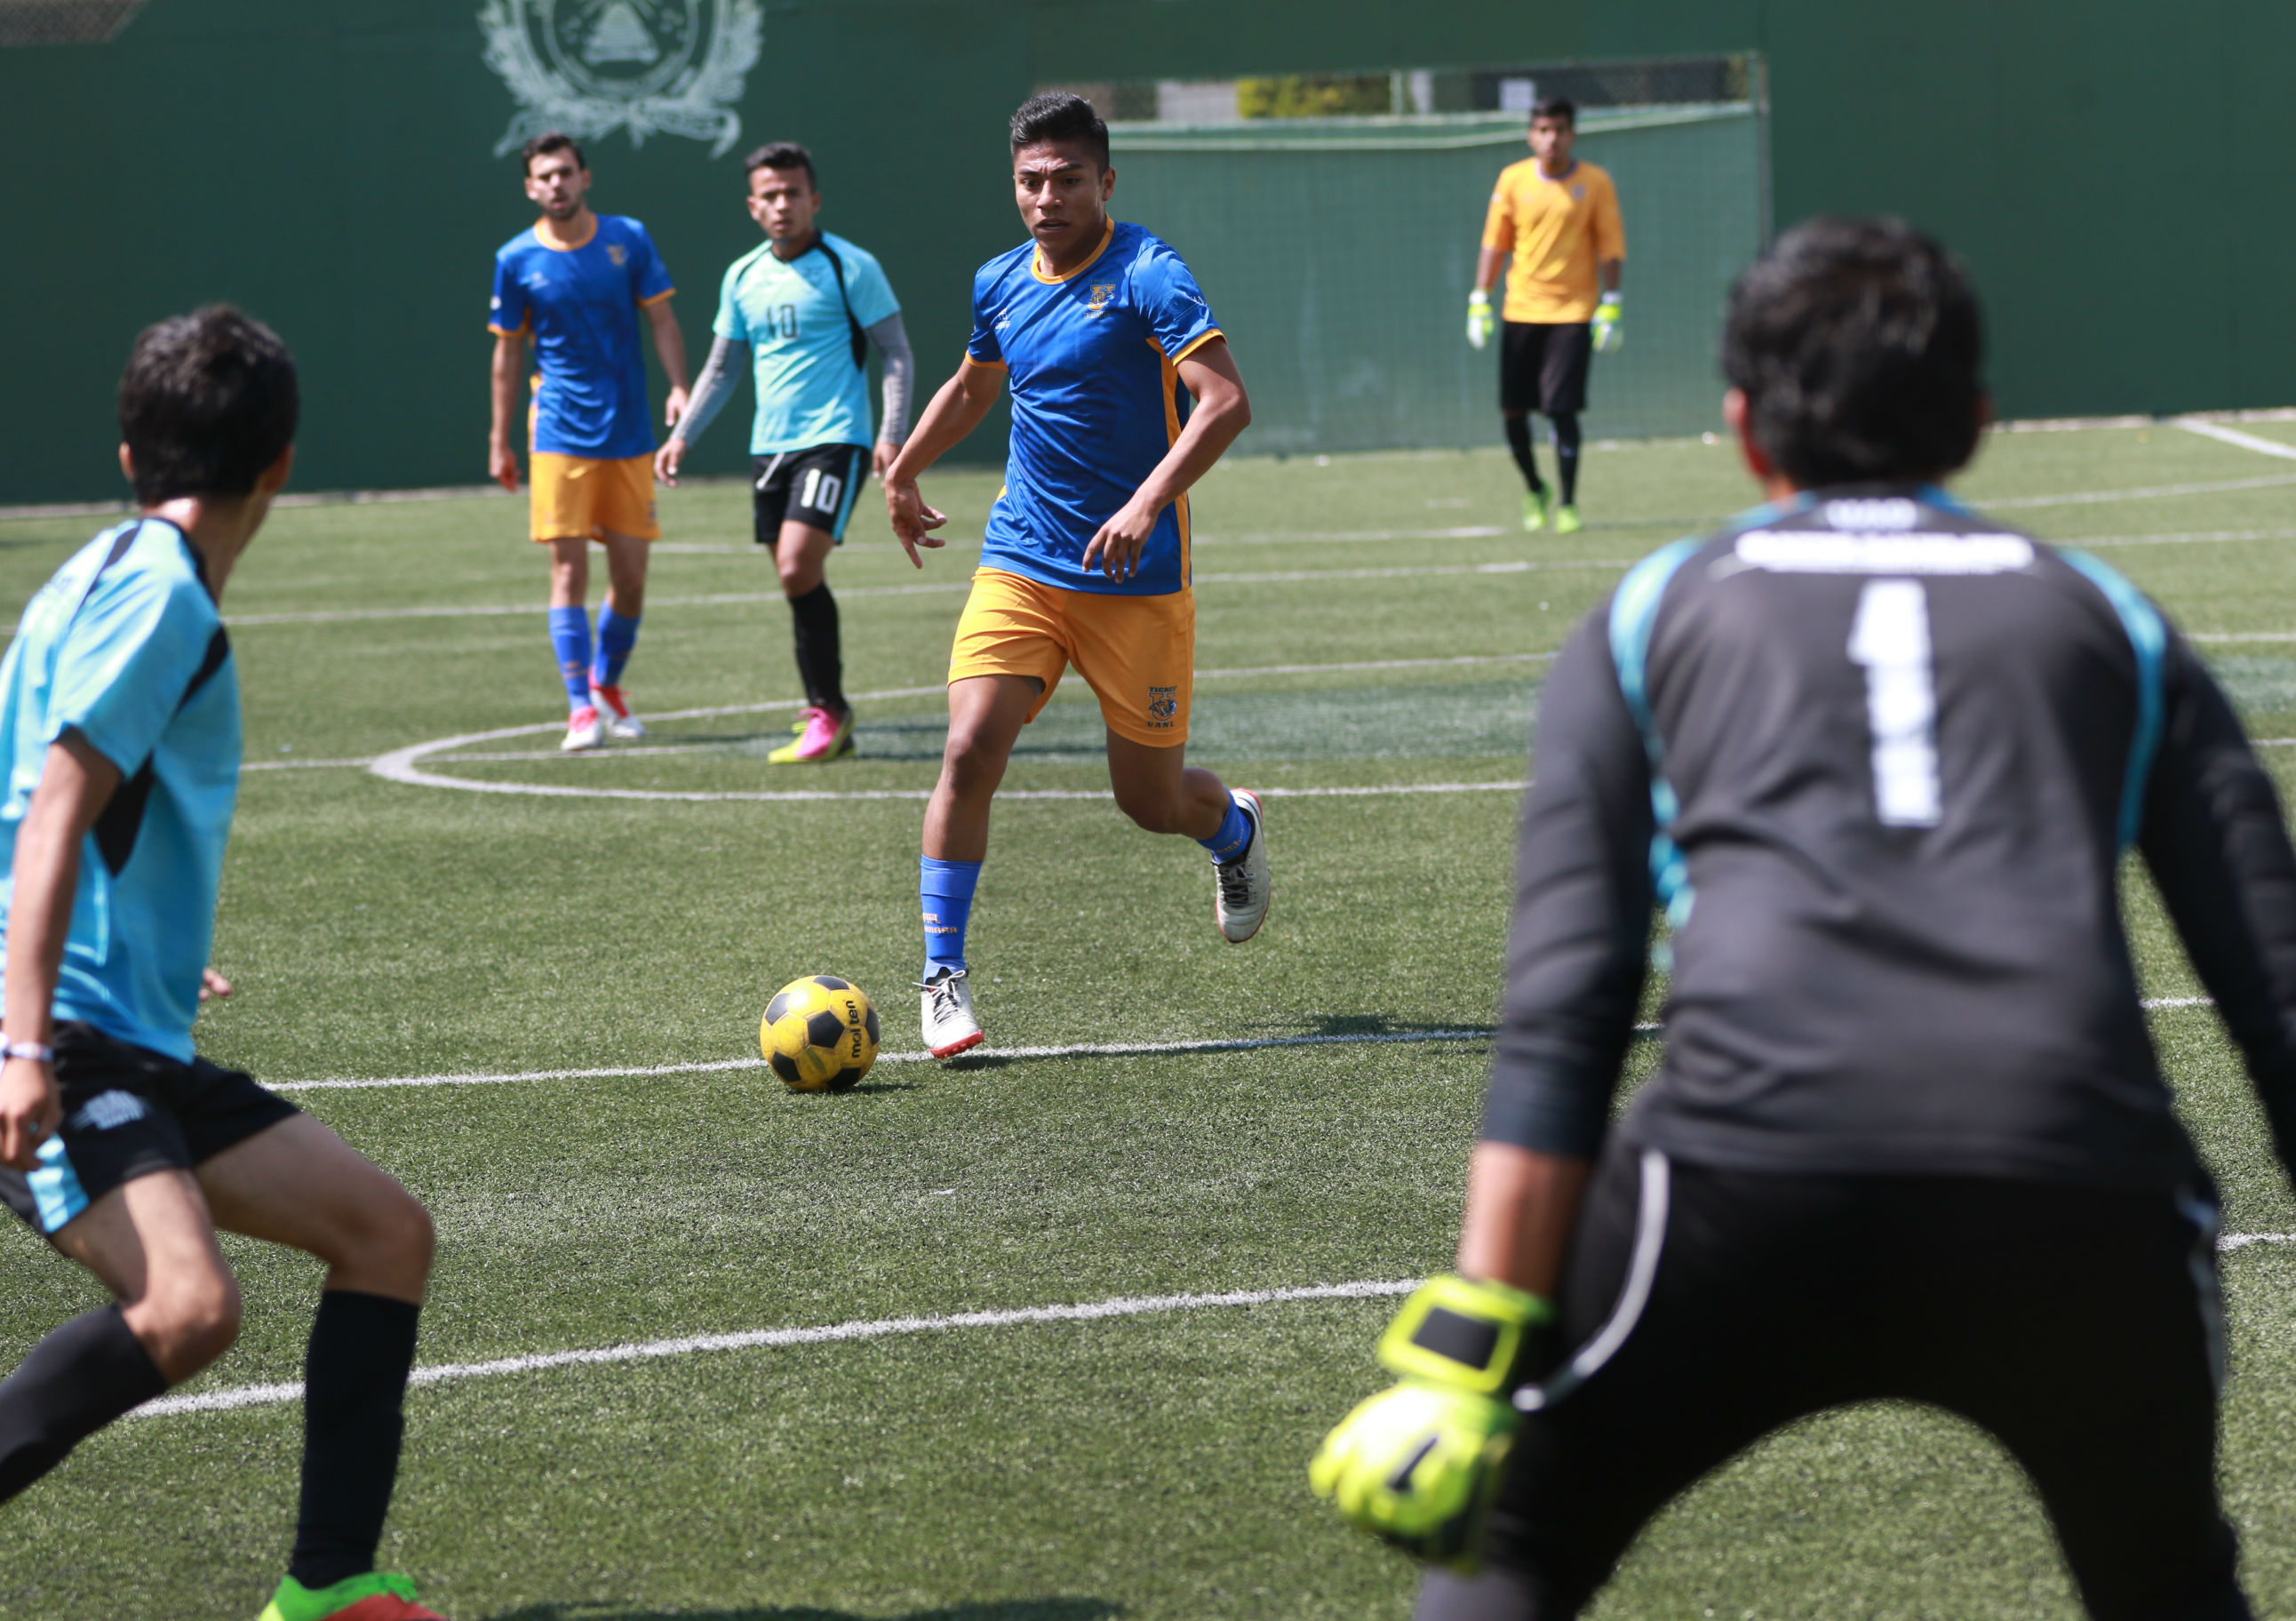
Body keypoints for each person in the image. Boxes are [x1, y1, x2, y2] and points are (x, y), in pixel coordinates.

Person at [1316, 218, 2296, 1621]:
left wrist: (1465, 1349)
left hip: (1738, 1171)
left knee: (1510, 1548)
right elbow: (2277, 998)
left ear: (1740, 429)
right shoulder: (2111, 618)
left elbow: (1567, 1009)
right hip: (2075, 1186)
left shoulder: (1650, 614)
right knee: (2173, 1592)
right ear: (1976, 419)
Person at [0, 307, 445, 1621]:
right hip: (30, 1032)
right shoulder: (165, 602)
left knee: (384, 1234)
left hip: (102, 1021)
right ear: (281, 464)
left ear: (130, 453)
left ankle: (333, 1588)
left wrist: (127, 954)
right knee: (187, 1306)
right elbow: (55, 808)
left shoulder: (89, 570)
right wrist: (24, 1042)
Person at [881, 92, 1270, 1058]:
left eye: (1066, 179)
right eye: (1029, 180)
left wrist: (1144, 502)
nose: (1046, 196)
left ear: (1106, 181)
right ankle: (943, 977)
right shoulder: (999, 279)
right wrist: (903, 467)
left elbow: (1224, 403)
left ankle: (1232, 832)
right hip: (1022, 560)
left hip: (1137, 578)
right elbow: (977, 383)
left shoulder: (1149, 274)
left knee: (1151, 803)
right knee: (970, 748)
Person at [656, 140, 915, 764]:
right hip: (768, 449)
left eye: (793, 193)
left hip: (835, 439)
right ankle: (829, 711)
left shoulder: (850, 266)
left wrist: (892, 432)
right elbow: (721, 369)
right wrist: (682, 435)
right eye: (769, 195)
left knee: (798, 565)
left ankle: (828, 710)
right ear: (753, 206)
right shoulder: (742, 275)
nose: (782, 205)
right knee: (795, 577)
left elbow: (896, 353)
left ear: (814, 199)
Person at [489, 131, 690, 754]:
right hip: (557, 435)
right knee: (568, 569)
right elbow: (507, 355)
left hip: (629, 432)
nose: (556, 184)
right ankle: (579, 708)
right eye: (544, 176)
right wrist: (500, 440)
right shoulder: (516, 258)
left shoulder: (627, 238)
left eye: (565, 173)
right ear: (530, 187)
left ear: (585, 177)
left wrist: (680, 387)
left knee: (630, 579)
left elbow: (661, 318)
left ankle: (606, 684)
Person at [1466, 99, 1623, 535]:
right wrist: (1480, 298)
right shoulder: (1513, 180)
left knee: (1561, 409)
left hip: (1573, 313)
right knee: (1513, 412)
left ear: (1572, 134)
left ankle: (1569, 504)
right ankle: (1536, 488)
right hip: (1521, 310)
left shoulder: (1595, 183)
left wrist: (1612, 301)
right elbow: (1495, 243)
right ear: (1531, 135)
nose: (1551, 138)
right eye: (1542, 129)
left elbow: (1610, 246)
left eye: (1559, 129)